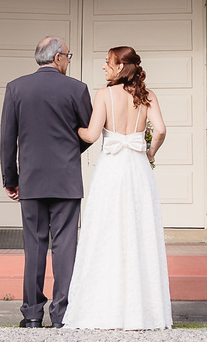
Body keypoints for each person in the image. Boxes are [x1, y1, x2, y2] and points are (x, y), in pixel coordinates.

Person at [63, 46, 172, 330]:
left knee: (106, 231)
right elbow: (160, 130)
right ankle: (142, 312)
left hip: (111, 170)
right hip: (137, 169)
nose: (104, 67)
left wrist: (72, 128)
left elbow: (91, 134)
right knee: (139, 231)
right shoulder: (148, 96)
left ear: (120, 67)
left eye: (107, 63)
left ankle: (103, 307)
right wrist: (150, 153)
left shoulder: (104, 95)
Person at [0, 36, 93, 329]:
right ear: (57, 58)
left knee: (35, 247)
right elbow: (88, 132)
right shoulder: (77, 89)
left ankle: (31, 315)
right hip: (66, 180)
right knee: (65, 247)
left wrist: (11, 179)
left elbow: (7, 139)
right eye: (68, 56)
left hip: (31, 180)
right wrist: (68, 153)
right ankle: (62, 315)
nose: (68, 60)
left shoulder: (16, 88)